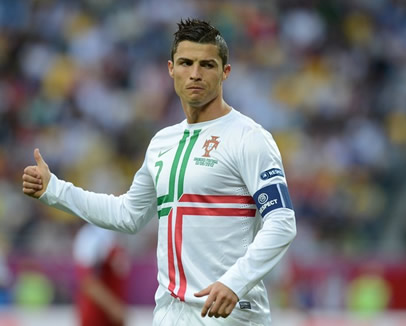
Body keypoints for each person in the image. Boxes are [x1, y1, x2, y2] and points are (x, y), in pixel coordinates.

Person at [22, 18, 296, 326]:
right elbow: (127, 214)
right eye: (186, 63)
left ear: (225, 72)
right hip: (170, 316)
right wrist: (54, 189)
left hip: (229, 317)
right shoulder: (163, 143)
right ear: (171, 69)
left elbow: (282, 221)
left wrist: (236, 281)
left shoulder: (249, 138)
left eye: (207, 64)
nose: (195, 73)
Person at [73, 223, 129, 326]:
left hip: (111, 318)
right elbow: (88, 282)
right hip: (95, 318)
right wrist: (114, 308)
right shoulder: (90, 235)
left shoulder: (117, 230)